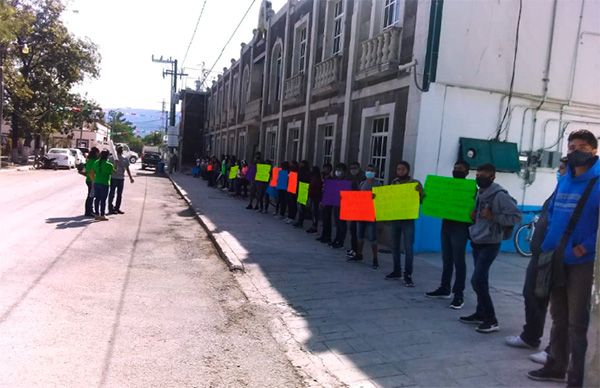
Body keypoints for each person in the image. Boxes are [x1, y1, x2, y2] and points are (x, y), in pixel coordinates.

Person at [527, 130, 599, 387]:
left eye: (581, 147)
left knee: (577, 323)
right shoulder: (564, 180)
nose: (574, 151)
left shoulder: (598, 182)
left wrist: (585, 247)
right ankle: (555, 366)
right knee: (558, 317)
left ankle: (576, 377)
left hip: (581, 263)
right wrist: (547, 245)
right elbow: (555, 213)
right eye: (571, 147)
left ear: (593, 151)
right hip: (555, 257)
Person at [505, 158, 568, 364]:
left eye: (562, 169)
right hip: (540, 255)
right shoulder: (558, 191)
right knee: (531, 294)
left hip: (559, 257)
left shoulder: (577, 193)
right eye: (559, 168)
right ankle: (530, 336)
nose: (558, 171)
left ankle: (555, 351)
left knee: (560, 307)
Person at [459, 163, 521, 333]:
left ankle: (492, 319)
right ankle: (480, 313)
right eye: (478, 175)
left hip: (491, 243)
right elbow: (481, 215)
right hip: (478, 239)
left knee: (477, 280)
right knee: (482, 280)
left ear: (492, 177)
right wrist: (475, 216)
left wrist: (494, 216)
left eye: (483, 175)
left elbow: (516, 217)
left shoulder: (499, 195)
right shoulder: (481, 192)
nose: (479, 178)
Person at [425, 160, 472, 309]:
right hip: (446, 225)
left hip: (461, 228)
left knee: (459, 261)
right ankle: (445, 288)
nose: (457, 170)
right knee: (447, 259)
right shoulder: (447, 186)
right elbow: (435, 199)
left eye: (460, 169)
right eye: (455, 168)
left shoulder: (471, 189)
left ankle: (459, 295)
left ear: (467, 172)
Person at [386, 161, 423, 287]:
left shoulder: (415, 183)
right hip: (395, 218)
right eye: (398, 169)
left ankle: (408, 274)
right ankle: (397, 271)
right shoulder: (394, 182)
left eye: (402, 169)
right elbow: (388, 198)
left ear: (408, 170)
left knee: (408, 248)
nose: (400, 171)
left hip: (408, 219)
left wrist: (420, 193)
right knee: (394, 246)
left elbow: (422, 200)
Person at [348, 164, 379, 269]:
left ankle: (375, 259)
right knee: (359, 236)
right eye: (368, 170)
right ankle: (359, 254)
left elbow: (380, 200)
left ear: (375, 172)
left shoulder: (378, 185)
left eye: (372, 170)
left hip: (371, 215)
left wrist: (374, 197)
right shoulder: (362, 183)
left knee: (372, 238)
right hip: (361, 214)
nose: (369, 172)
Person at [346, 162, 366, 259]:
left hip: (361, 206)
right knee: (353, 229)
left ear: (359, 167)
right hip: (353, 205)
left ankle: (357, 251)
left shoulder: (363, 178)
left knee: (357, 230)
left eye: (354, 168)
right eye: (351, 168)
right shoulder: (352, 177)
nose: (353, 169)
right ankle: (354, 249)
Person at [108, 145, 135, 215]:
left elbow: (127, 168)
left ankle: (116, 208)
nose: (121, 150)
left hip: (120, 178)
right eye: (120, 149)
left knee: (117, 194)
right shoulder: (112, 158)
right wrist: (130, 178)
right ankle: (111, 208)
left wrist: (130, 178)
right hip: (114, 178)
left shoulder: (124, 158)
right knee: (113, 194)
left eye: (121, 149)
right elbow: (108, 167)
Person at [91, 150, 115, 221]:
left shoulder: (96, 163)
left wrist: (93, 180)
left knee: (97, 199)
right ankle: (102, 215)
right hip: (104, 183)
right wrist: (115, 164)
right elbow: (113, 172)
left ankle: (96, 214)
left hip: (96, 182)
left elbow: (91, 173)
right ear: (107, 156)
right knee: (103, 200)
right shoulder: (109, 165)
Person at [330, 163, 348, 249]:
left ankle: (341, 241)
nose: (338, 172)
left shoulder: (347, 181)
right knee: (337, 223)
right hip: (336, 204)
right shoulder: (335, 180)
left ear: (344, 172)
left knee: (342, 224)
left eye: (340, 170)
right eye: (337, 170)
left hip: (344, 205)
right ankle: (336, 239)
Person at [79, 147, 99, 217]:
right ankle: (88, 211)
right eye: (97, 153)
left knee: (91, 196)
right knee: (91, 196)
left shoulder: (90, 160)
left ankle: (89, 210)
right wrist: (94, 182)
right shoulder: (93, 161)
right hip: (91, 180)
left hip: (90, 180)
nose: (98, 154)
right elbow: (91, 172)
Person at [316, 163, 334, 243]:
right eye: (324, 168)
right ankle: (323, 235)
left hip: (328, 201)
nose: (324, 170)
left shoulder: (331, 179)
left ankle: (327, 236)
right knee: (324, 219)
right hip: (322, 199)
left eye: (326, 169)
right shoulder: (323, 178)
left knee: (327, 219)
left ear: (330, 170)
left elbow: (329, 192)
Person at [306, 166, 322, 234]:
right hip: (312, 196)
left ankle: (315, 226)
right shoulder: (312, 177)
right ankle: (313, 225)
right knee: (313, 211)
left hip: (315, 197)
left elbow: (316, 188)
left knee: (315, 211)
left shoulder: (317, 179)